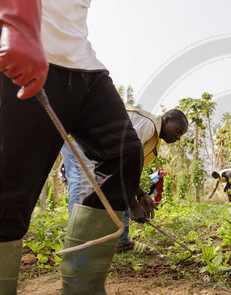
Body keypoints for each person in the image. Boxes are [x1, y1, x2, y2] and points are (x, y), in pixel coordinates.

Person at [0, 0, 147, 295]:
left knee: (123, 156)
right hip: (20, 51)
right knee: (9, 194)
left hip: (83, 65)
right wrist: (15, 25)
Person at [62, 107, 188, 253]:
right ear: (167, 120)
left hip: (98, 146)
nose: (178, 137)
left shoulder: (152, 134)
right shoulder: (147, 125)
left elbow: (128, 170)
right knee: (82, 184)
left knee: (114, 189)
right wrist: (133, 206)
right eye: (178, 131)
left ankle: (120, 243)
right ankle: (77, 244)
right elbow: (121, 164)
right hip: (82, 136)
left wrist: (141, 194)